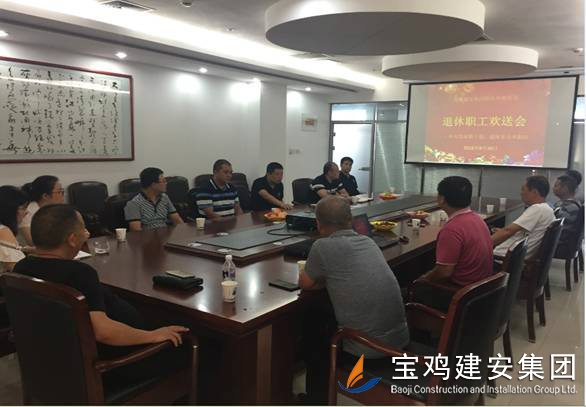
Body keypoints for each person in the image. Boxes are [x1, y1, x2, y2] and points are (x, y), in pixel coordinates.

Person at [13, 204, 190, 384]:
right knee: (194, 345)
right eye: (83, 229)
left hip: (54, 362)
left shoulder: (21, 268)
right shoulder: (79, 273)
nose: (86, 233)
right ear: (72, 239)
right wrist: (153, 335)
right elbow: (103, 331)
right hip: (115, 364)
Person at [298, 196, 408, 403]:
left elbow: (305, 283)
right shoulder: (368, 241)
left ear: (318, 224)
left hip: (367, 349)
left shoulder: (322, 246)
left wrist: (328, 279)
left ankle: (317, 400)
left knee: (314, 330)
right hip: (400, 339)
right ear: (351, 220)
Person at [420, 176, 493, 285]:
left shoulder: (451, 229)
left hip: (461, 290)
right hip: (482, 286)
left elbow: (444, 273)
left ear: (442, 199)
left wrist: (424, 279)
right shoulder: (477, 219)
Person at [492, 175, 554, 260]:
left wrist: (484, 243)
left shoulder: (537, 209)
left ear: (534, 192)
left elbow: (508, 231)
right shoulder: (548, 209)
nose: (521, 193)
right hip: (518, 258)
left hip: (505, 259)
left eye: (523, 189)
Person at [124, 167, 184, 231]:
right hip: (147, 235)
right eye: (163, 181)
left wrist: (183, 232)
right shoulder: (134, 203)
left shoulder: (164, 197)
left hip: (165, 234)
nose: (166, 183)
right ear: (153, 184)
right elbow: (135, 230)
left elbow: (177, 219)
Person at [19, 175, 65, 246]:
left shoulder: (54, 209)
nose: (62, 195)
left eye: (63, 191)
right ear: (45, 196)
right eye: (59, 192)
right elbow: (32, 242)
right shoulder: (27, 212)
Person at [553, 174, 583, 257]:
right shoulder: (575, 203)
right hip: (564, 242)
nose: (553, 188)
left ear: (565, 189)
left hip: (559, 245)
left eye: (556, 186)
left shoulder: (568, 208)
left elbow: (554, 228)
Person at [0, 186, 28, 272]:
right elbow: (19, 269)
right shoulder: (3, 230)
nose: (27, 212)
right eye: (23, 208)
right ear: (9, 210)